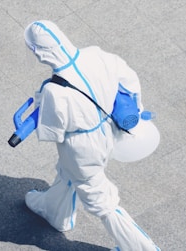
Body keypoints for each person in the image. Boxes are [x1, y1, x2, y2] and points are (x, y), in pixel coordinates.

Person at [23, 20, 160, 251]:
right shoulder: (97, 56)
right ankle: (55, 211)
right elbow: (130, 82)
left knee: (100, 199)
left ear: (41, 53)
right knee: (68, 172)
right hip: (106, 130)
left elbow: (51, 132)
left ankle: (141, 248)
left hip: (81, 147)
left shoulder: (54, 91)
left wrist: (41, 103)